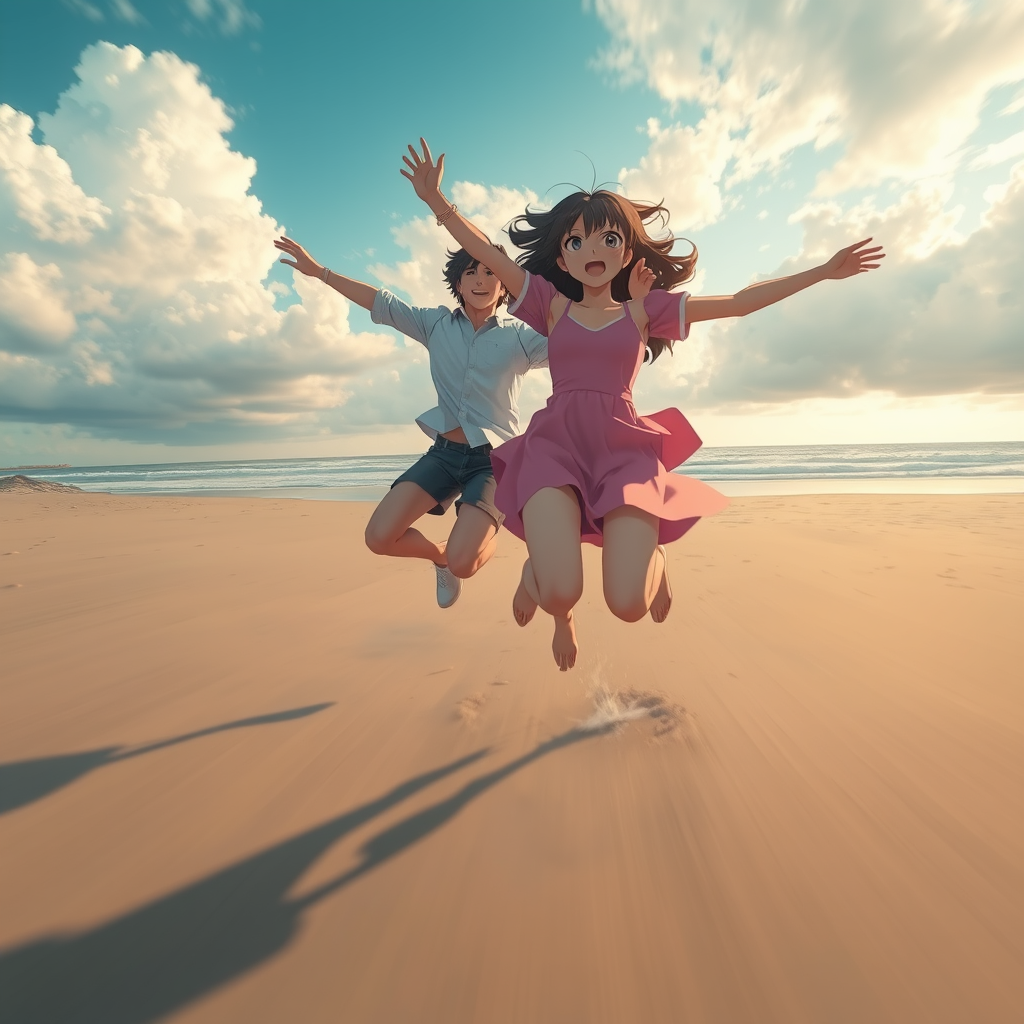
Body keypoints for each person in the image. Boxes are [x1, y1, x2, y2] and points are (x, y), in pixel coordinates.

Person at [400, 138, 885, 668]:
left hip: (621, 452)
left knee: (627, 604)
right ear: (562, 255)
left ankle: (651, 560)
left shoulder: (643, 312)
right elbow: (490, 254)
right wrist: (437, 204)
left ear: (627, 250)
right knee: (562, 593)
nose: (593, 252)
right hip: (555, 449)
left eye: (608, 238)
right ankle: (553, 600)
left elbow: (742, 304)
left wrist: (821, 271)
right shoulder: (550, 306)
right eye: (577, 242)